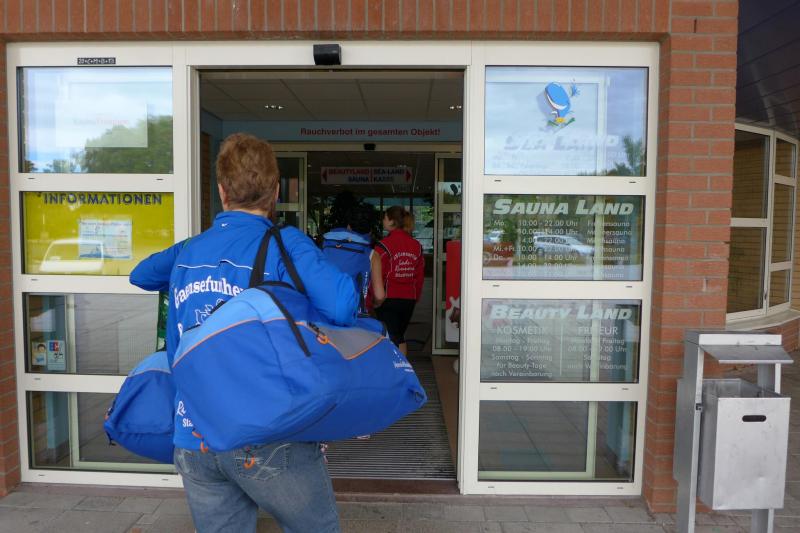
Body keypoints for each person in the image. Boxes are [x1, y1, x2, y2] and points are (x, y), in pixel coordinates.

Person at [130, 133, 357, 533]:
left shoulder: (190, 249)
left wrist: (204, 246)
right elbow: (342, 305)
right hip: (268, 430)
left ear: (222, 190)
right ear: (275, 190)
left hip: (195, 434)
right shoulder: (285, 244)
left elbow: (142, 274)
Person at [371, 206, 425, 356]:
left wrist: (374, 299)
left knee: (391, 337)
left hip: (388, 299)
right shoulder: (416, 246)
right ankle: (403, 367)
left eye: (384, 218)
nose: (383, 221)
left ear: (392, 221)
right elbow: (419, 276)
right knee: (399, 335)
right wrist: (416, 297)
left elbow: (377, 274)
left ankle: (394, 368)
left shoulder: (383, 246)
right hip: (409, 299)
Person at [321, 201, 376, 314]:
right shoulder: (372, 254)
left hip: (325, 308)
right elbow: (379, 295)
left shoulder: (326, 244)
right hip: (355, 313)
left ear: (348, 227)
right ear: (370, 231)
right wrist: (374, 305)